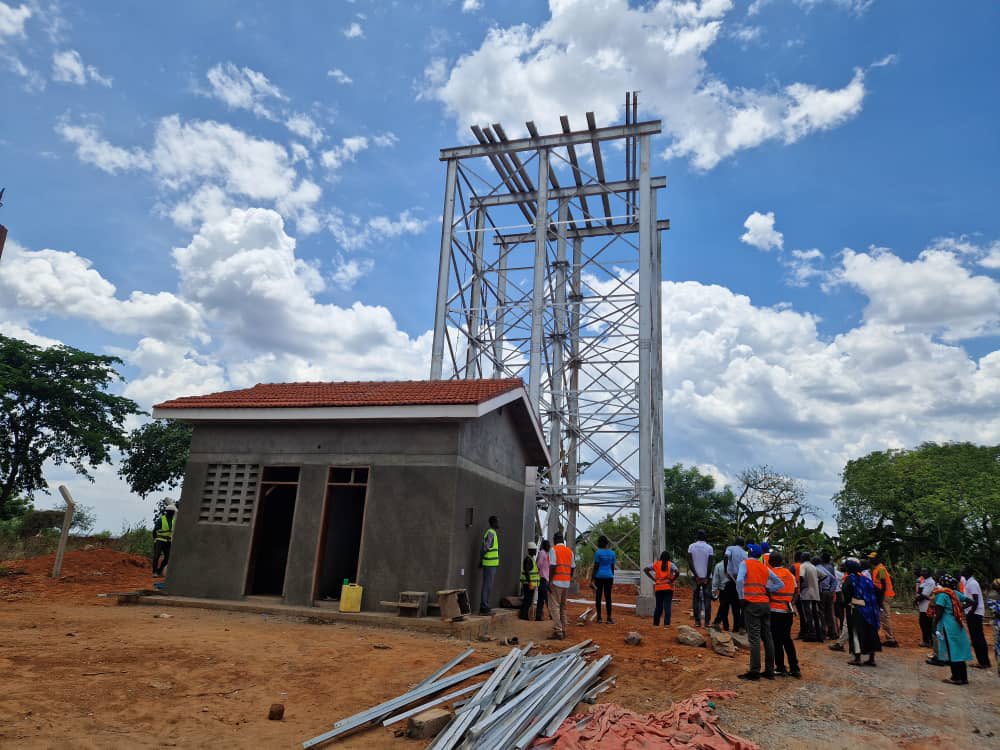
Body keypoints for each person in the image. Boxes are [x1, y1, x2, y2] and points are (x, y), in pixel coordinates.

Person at [736, 543, 783, 680]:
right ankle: (769, 670)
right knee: (767, 637)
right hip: (765, 604)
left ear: (749, 553)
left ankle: (754, 671)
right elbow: (780, 583)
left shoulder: (745, 564)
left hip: (751, 604)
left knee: (754, 638)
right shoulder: (764, 567)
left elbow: (739, 580)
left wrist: (741, 597)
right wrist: (769, 590)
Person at [933, 574, 972, 685]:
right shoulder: (955, 593)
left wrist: (934, 625)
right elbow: (971, 601)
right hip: (957, 623)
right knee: (959, 649)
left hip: (947, 625)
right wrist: (959, 609)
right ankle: (964, 678)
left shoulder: (942, 595)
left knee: (952, 650)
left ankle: (956, 677)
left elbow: (939, 613)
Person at [842, 559, 881, 667]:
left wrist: (846, 604)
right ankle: (871, 658)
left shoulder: (849, 580)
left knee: (856, 632)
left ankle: (857, 658)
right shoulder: (866, 579)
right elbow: (877, 591)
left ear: (849, 569)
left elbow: (846, 596)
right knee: (871, 632)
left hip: (857, 609)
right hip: (871, 610)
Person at [767, 552, 800, 678]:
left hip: (774, 610)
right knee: (787, 639)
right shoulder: (790, 574)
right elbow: (796, 592)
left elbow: (768, 591)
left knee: (776, 640)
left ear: (771, 561)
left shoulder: (771, 574)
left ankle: (781, 667)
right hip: (788, 611)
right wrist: (791, 602)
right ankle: (795, 668)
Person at [960, 566, 991, 669]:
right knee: (976, 638)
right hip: (974, 613)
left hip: (975, 613)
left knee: (977, 638)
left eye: (963, 569)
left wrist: (969, 612)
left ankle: (984, 662)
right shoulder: (969, 582)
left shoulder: (972, 584)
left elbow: (975, 601)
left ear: (968, 572)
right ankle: (983, 662)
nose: (961, 570)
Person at [548, 532, 575, 639]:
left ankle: (558, 631)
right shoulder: (570, 551)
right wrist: (569, 577)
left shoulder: (554, 550)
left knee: (554, 606)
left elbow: (553, 566)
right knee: (563, 607)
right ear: (562, 540)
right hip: (566, 583)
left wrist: (549, 580)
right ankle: (563, 629)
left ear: (555, 540)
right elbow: (573, 567)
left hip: (556, 582)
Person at [868, 552, 899, 646]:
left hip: (884, 595)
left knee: (885, 617)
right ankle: (889, 638)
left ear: (877, 559)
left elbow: (884, 585)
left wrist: (880, 599)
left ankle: (891, 639)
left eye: (872, 558)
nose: (870, 560)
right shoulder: (878, 569)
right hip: (883, 595)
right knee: (883, 616)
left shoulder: (880, 569)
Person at [644, 551, 679, 627]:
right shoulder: (671, 564)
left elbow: (645, 569)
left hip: (658, 587)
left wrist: (653, 579)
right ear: (669, 558)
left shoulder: (656, 564)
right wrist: (672, 580)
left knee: (658, 606)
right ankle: (666, 624)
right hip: (668, 587)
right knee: (667, 606)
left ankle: (656, 624)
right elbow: (677, 572)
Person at [687, 530, 714, 628]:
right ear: (705, 537)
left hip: (695, 577)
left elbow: (690, 562)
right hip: (707, 577)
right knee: (707, 600)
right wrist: (706, 577)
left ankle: (697, 622)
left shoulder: (691, 546)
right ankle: (707, 623)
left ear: (697, 537)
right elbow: (710, 563)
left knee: (696, 599)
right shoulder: (709, 548)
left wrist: (696, 575)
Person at [799, 554, 827, 642]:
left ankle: (811, 635)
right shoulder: (813, 567)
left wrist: (802, 586)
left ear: (802, 558)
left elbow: (801, 577)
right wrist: (816, 582)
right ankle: (819, 635)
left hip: (806, 593)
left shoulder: (803, 566)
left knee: (808, 614)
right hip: (815, 593)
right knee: (816, 614)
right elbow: (824, 576)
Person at [723, 537, 748, 633]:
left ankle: (725, 626)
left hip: (730, 579)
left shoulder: (730, 548)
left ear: (735, 542)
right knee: (736, 606)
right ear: (743, 544)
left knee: (725, 604)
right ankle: (736, 628)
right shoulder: (745, 553)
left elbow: (726, 556)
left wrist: (725, 570)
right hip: (740, 581)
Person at [592, 535, 616, 624]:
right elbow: (612, 567)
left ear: (599, 543)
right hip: (609, 576)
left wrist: (592, 579)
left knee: (598, 597)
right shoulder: (612, 553)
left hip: (599, 576)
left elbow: (596, 566)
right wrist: (612, 577)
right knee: (608, 597)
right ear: (607, 543)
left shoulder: (598, 553)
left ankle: (599, 617)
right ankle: (609, 618)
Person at [479, 516, 500, 615]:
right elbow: (485, 548)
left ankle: (485, 606)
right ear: (493, 523)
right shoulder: (491, 533)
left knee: (488, 586)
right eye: (497, 522)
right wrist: (481, 560)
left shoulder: (493, 533)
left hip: (491, 564)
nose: (498, 523)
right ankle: (484, 608)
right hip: (489, 564)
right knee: (487, 586)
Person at [152, 502, 177, 577]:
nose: (172, 513)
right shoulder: (161, 520)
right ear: (168, 512)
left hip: (168, 541)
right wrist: (155, 539)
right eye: (171, 512)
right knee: (156, 556)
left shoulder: (174, 521)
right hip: (159, 540)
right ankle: (154, 572)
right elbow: (154, 531)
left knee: (168, 557)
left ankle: (159, 571)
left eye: (173, 512)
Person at [819, 552, 839, 639]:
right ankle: (833, 632)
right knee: (830, 612)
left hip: (823, 591)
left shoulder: (822, 567)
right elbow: (834, 579)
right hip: (830, 591)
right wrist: (832, 591)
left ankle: (824, 632)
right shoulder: (831, 567)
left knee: (822, 612)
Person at [915, 568, 937, 648]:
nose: (922, 572)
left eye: (925, 571)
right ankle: (927, 640)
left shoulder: (930, 582)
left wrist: (916, 600)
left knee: (926, 624)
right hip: (923, 606)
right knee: (924, 623)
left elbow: (924, 595)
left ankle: (928, 641)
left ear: (929, 573)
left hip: (927, 606)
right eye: (922, 571)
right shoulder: (925, 581)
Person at [519, 542, 540, 620]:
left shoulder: (531, 559)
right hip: (528, 583)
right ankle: (523, 615)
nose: (535, 551)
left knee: (528, 599)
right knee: (527, 599)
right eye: (534, 550)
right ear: (530, 550)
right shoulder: (528, 559)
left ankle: (524, 615)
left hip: (530, 583)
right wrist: (530, 582)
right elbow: (527, 571)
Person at [710, 559, 730, 631]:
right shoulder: (736, 564)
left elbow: (715, 580)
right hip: (734, 589)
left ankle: (725, 626)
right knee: (735, 609)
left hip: (723, 589)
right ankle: (737, 627)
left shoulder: (719, 565)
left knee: (723, 607)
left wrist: (714, 592)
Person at [535, 540, 551, 621]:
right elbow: (538, 565)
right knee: (546, 598)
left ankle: (538, 616)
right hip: (542, 579)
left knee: (542, 599)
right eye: (548, 545)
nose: (549, 547)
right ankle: (551, 615)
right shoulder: (542, 553)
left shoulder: (545, 554)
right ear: (544, 546)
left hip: (545, 579)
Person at [989, 579, 1000, 678]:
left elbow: (995, 612)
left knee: (998, 645)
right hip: (997, 623)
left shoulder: (992, 597)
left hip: (997, 624)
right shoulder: (993, 597)